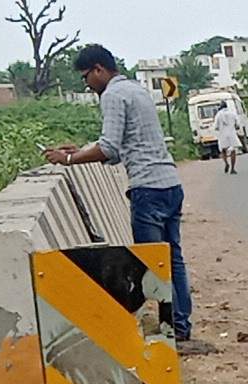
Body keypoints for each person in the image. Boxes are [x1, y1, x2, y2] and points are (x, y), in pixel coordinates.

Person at [46, 44, 195, 344]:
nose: (87, 84)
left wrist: (70, 159)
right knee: (172, 260)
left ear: (99, 69)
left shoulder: (112, 95)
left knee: (151, 264)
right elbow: (121, 145)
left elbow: (109, 148)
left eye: (86, 77)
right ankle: (180, 326)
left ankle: (164, 331)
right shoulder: (137, 90)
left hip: (147, 189)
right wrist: (83, 150)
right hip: (169, 184)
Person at [214, 100, 244, 175]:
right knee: (233, 151)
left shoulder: (218, 115)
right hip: (232, 134)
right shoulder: (232, 113)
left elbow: (216, 127)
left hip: (222, 135)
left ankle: (226, 163)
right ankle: (233, 169)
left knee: (223, 150)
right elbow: (237, 125)